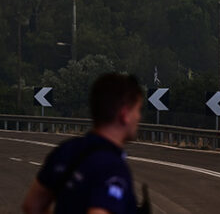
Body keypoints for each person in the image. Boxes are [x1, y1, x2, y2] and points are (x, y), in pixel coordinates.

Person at [22, 73, 147, 214]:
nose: (139, 117)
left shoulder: (66, 150)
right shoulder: (112, 167)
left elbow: (32, 205)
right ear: (124, 114)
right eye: (137, 110)